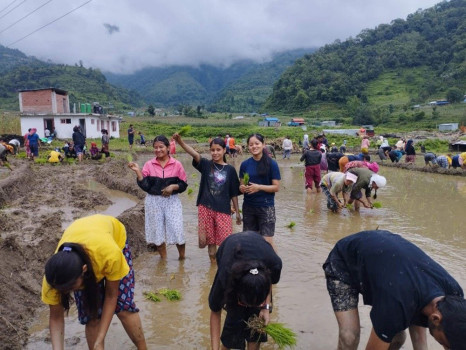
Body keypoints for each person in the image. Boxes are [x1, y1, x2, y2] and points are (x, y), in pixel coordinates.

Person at [323, 230, 466, 350]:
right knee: (349, 337)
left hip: (389, 266)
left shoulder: (454, 296)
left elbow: (419, 306)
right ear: (436, 318)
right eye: (444, 345)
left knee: (397, 339)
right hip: (345, 260)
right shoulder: (397, 303)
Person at [41, 214, 147, 350]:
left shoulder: (110, 254)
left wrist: (101, 338)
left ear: (83, 270)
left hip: (111, 239)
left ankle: (143, 348)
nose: (69, 292)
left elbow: (111, 296)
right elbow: (56, 318)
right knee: (92, 317)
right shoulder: (54, 278)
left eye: (72, 287)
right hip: (84, 241)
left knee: (124, 308)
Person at [173, 134, 241, 262]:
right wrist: (180, 142)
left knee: (226, 241)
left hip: (223, 210)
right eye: (212, 150)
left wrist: (237, 212)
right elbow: (194, 154)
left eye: (218, 150)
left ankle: (224, 267)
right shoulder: (206, 165)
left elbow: (233, 193)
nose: (215, 153)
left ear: (224, 150)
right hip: (206, 208)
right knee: (211, 242)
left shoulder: (230, 170)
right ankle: (213, 266)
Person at [209, 231, 282, 350]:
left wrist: (265, 307)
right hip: (230, 248)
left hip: (260, 252)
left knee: (256, 323)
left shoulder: (274, 263)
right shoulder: (226, 275)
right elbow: (215, 311)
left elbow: (269, 279)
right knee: (233, 322)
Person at [128, 135, 187, 259]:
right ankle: (163, 260)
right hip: (153, 201)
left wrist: (173, 187)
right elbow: (145, 186)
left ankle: (182, 258)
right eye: (155, 147)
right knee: (157, 233)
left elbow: (183, 185)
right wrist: (138, 172)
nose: (158, 150)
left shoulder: (177, 164)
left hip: (172, 201)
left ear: (168, 147)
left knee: (177, 230)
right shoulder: (149, 165)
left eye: (161, 147)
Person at [239, 134, 281, 250]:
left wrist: (259, 187)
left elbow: (276, 187)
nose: (254, 146)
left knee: (267, 243)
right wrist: (242, 188)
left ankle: (274, 266)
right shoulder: (245, 164)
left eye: (257, 143)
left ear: (263, 144)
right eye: (251, 144)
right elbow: (241, 185)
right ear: (248, 147)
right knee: (249, 241)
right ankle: (254, 267)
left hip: (266, 207)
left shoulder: (272, 164)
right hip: (248, 207)